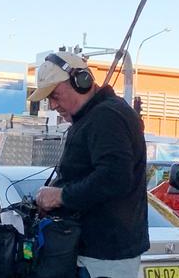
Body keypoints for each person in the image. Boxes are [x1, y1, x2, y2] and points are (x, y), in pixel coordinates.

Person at [31, 51, 149, 278]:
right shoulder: (95, 115)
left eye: (55, 95)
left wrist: (60, 196)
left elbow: (114, 177)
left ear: (81, 81)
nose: (53, 105)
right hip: (95, 254)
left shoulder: (107, 116)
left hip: (104, 258)